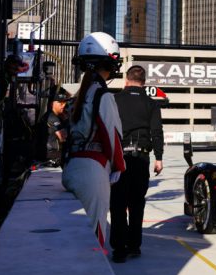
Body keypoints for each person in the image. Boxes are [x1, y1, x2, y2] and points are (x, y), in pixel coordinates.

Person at [61, 32, 125, 251]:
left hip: (72, 166)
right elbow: (112, 135)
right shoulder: (103, 95)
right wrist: (119, 166)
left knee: (73, 238)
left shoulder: (78, 95)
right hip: (93, 170)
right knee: (94, 237)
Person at [110, 65, 164, 263]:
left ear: (126, 80)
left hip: (119, 158)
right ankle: (134, 246)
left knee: (117, 204)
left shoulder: (114, 100)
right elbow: (157, 132)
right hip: (141, 159)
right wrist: (159, 158)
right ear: (144, 82)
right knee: (136, 204)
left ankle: (119, 249)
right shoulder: (151, 104)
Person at [37, 86, 74, 165]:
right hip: (51, 155)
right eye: (60, 103)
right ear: (52, 104)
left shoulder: (58, 116)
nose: (63, 105)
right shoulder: (51, 117)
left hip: (54, 154)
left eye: (64, 103)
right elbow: (63, 137)